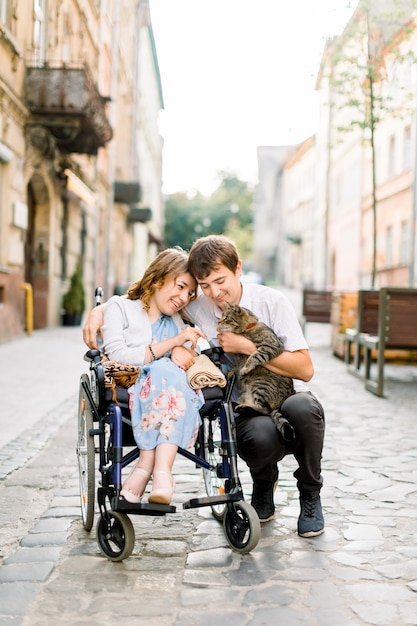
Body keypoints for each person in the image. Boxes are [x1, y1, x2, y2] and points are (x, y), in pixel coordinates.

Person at [83, 236, 325, 537]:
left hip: (285, 394)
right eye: (204, 285)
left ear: (238, 269)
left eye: (220, 280)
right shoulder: (196, 306)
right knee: (260, 436)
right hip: (246, 405)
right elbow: (150, 297)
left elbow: (305, 369)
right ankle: (263, 482)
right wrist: (101, 310)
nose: (214, 292)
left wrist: (247, 347)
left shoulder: (271, 302)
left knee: (304, 409)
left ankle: (311, 493)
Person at [100, 247, 206, 506]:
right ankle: (159, 472)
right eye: (180, 286)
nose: (184, 297)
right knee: (162, 369)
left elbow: (197, 354)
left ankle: (148, 467)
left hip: (172, 393)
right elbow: (118, 354)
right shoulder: (120, 308)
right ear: (159, 278)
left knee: (166, 371)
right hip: (131, 386)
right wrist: (173, 344)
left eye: (190, 293)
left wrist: (184, 349)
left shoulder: (180, 322)